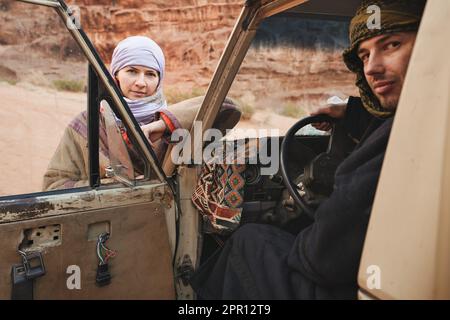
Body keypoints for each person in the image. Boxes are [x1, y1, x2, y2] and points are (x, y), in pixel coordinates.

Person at [189, 0, 427, 299]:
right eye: (364, 55)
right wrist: (354, 113)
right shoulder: (423, 123)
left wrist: (302, 237)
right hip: (389, 270)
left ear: (433, 46)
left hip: (350, 284)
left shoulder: (401, 137)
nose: (373, 68)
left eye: (391, 44)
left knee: (249, 240)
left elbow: (320, 260)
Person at [43, 36, 241, 191]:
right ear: (116, 75)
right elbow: (53, 187)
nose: (141, 82)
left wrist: (161, 125)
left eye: (150, 74)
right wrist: (112, 187)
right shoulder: (87, 124)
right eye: (131, 71)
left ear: (159, 79)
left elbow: (227, 107)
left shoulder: (176, 120)